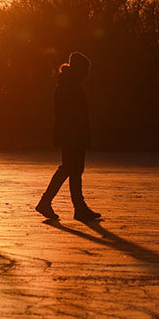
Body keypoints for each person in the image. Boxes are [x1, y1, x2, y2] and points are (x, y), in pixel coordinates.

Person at [36, 52, 101, 221]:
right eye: (85, 71)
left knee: (73, 170)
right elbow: (70, 115)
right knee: (70, 168)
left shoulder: (69, 84)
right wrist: (77, 135)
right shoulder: (69, 86)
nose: (86, 75)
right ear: (78, 70)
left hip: (71, 135)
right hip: (71, 135)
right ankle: (49, 202)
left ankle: (78, 207)